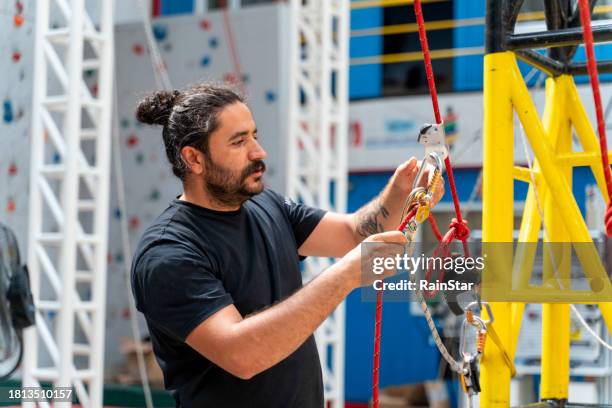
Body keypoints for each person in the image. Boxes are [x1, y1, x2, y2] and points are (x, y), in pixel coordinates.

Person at [130, 83, 444, 407]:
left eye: (255, 135)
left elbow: (354, 233)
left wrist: (399, 193)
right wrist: (346, 276)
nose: (258, 152)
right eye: (239, 142)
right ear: (194, 159)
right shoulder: (168, 253)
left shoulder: (266, 205)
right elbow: (242, 355)